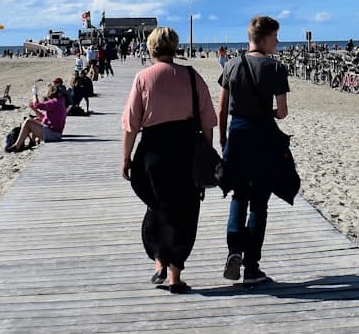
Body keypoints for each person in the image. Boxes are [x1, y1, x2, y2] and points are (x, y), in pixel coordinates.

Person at [122, 27, 216, 293]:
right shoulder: (191, 76)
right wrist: (206, 152)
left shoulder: (143, 78)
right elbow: (208, 120)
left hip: (152, 151)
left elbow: (131, 124)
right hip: (186, 150)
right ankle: (174, 276)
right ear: (175, 47)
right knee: (185, 213)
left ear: (150, 48)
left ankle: (158, 261)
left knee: (158, 206)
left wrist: (126, 157)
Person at [217, 15, 292, 286]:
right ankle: (252, 267)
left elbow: (222, 108)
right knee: (259, 203)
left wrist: (223, 139)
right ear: (264, 38)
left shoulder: (232, 65)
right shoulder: (275, 68)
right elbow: (282, 113)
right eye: (275, 37)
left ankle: (234, 250)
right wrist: (267, 112)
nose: (278, 42)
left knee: (239, 195)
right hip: (263, 137)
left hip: (237, 135)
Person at [6, 82, 67, 152]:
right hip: (56, 133)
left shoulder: (54, 102)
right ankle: (32, 142)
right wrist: (34, 109)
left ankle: (17, 146)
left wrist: (34, 94)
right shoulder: (60, 101)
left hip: (53, 134)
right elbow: (44, 117)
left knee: (28, 122)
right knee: (36, 119)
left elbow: (38, 105)